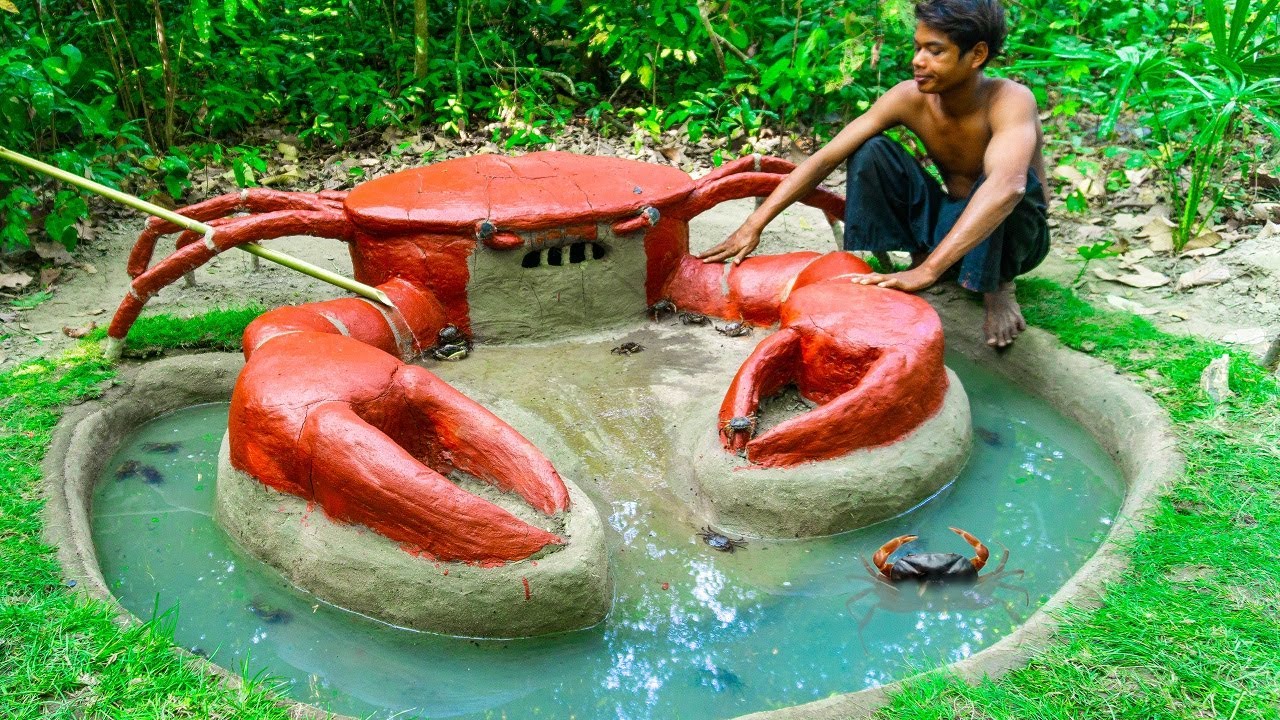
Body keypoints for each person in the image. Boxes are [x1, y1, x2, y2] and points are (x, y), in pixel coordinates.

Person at [697, 0, 1050, 348]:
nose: (917, 61)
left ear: (976, 55)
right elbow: (825, 158)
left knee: (1006, 185)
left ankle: (997, 286)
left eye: (935, 51)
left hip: (1017, 239)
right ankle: (920, 257)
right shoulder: (909, 98)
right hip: (950, 218)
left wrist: (925, 277)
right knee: (870, 150)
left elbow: (1009, 187)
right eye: (917, 48)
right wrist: (754, 224)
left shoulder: (1009, 99)